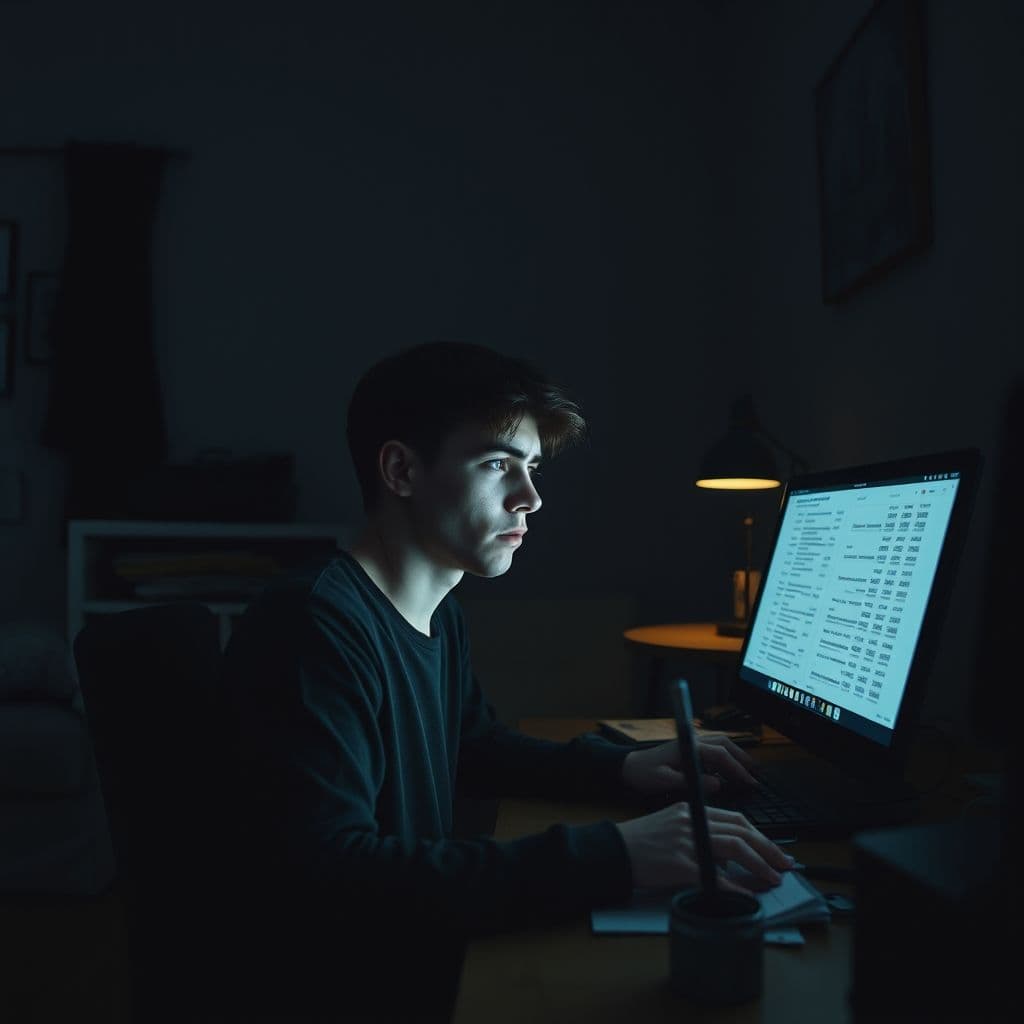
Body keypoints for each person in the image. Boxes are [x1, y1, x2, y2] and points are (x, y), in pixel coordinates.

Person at [214, 340, 792, 1022]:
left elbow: (473, 743)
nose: (531, 498)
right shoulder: (313, 627)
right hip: (349, 988)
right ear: (401, 469)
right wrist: (611, 854)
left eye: (534, 468)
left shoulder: (435, 609)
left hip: (408, 953)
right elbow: (335, 873)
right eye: (498, 465)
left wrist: (625, 769)